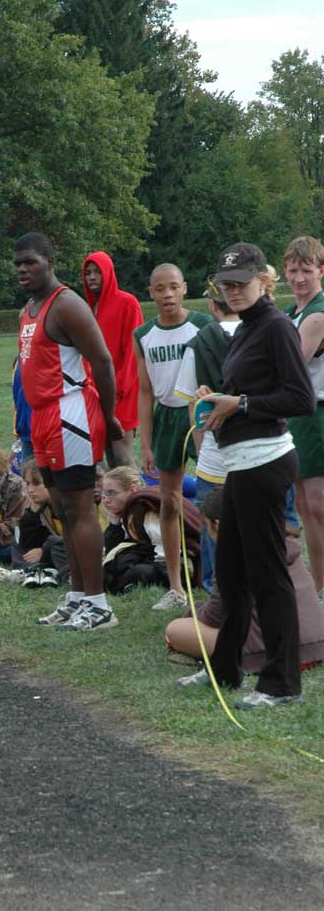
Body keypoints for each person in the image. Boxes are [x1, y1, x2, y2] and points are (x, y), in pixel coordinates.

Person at [183, 242, 315, 710]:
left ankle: (281, 684)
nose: (233, 290)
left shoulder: (276, 326)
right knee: (233, 574)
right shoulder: (245, 328)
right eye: (227, 284)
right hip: (241, 463)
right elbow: (246, 391)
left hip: (265, 462)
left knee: (267, 576)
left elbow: (300, 398)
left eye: (242, 282)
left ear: (265, 280)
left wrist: (236, 404)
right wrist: (215, 398)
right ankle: (225, 668)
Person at [15, 232, 121, 631]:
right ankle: (77, 595)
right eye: (19, 264)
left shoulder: (68, 304)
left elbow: (103, 361)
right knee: (61, 508)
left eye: (30, 262)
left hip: (69, 413)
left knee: (79, 508)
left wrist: (108, 417)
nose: (23, 270)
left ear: (50, 260)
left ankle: (99, 603)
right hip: (42, 417)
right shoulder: (29, 308)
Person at [168, 487, 324, 674]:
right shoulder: (284, 539)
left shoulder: (233, 554)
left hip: (274, 652)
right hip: (316, 644)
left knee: (175, 630)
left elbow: (214, 616)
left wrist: (193, 611)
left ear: (217, 524)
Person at [134, 264, 210, 611]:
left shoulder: (202, 325)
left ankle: (214, 578)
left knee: (214, 499)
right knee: (169, 501)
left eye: (173, 288)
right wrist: (146, 443)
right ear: (151, 292)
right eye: (160, 289)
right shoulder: (144, 334)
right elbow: (146, 391)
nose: (167, 295)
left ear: (184, 288)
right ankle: (176, 586)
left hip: (198, 411)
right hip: (166, 414)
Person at [174, 277, 241, 591]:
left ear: (213, 306)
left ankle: (217, 596)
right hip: (261, 453)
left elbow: (193, 409)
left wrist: (201, 453)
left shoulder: (199, 344)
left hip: (215, 458)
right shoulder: (264, 333)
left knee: (214, 528)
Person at [283, 236, 324, 598]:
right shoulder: (291, 313)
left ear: (320, 271)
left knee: (317, 503)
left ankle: (320, 586)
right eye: (293, 270)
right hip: (296, 414)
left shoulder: (317, 313)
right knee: (302, 504)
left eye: (306, 271)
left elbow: (292, 365)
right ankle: (315, 585)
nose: (299, 278)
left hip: (316, 412)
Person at [82, 252, 144, 466]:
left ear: (108, 272)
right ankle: (117, 499)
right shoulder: (88, 309)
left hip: (121, 392)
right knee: (105, 455)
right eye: (88, 273)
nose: (92, 277)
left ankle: (138, 499)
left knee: (122, 455)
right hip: (97, 392)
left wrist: (118, 389)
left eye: (97, 272)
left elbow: (133, 353)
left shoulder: (127, 303)